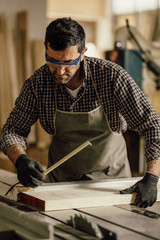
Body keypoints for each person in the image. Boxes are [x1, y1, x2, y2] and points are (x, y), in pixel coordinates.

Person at [0, 17, 160, 208]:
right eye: (52, 61)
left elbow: (152, 125)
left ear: (83, 53)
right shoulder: (38, 84)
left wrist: (152, 176)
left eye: (68, 62)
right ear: (45, 49)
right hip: (61, 185)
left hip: (110, 185)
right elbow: (12, 130)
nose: (59, 71)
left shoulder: (111, 77)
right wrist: (20, 159)